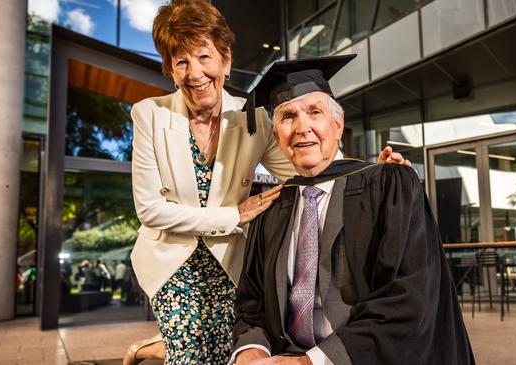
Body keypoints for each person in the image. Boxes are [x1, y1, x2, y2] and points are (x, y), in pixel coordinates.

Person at [125, 1, 408, 364]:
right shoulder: (149, 114)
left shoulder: (251, 118)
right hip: (170, 260)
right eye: (181, 62)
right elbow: (149, 210)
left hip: (229, 261)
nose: (195, 73)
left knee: (225, 350)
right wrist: (233, 216)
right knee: (191, 354)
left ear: (225, 61)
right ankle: (166, 345)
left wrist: (370, 173)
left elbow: (306, 162)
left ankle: (157, 346)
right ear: (171, 70)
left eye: (204, 57)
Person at [231, 55, 474, 364]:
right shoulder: (272, 209)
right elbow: (252, 304)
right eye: (288, 117)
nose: (302, 127)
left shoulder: (386, 188)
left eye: (314, 112)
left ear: (338, 125)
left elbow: (408, 296)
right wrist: (252, 353)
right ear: (277, 136)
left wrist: (311, 362)